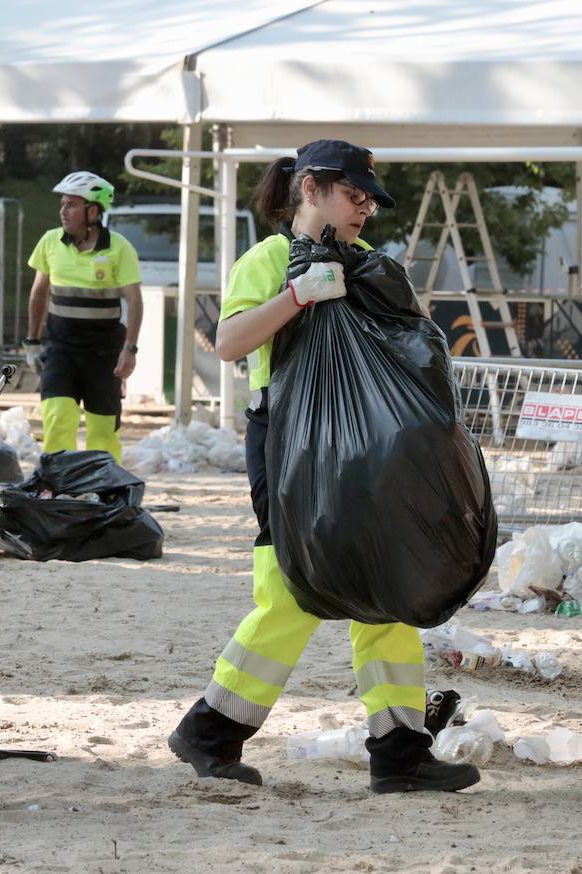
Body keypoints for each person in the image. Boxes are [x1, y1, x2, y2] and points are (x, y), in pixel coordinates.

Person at [167, 139, 481, 794]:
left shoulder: (367, 263)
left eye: (370, 198)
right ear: (311, 188)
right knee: (293, 587)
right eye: (354, 194)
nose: (365, 208)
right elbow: (228, 343)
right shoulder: (269, 259)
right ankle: (210, 729)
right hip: (288, 445)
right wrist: (297, 297)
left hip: (365, 451)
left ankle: (399, 752)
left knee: (386, 580)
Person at [23, 172, 142, 462]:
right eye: (63, 204)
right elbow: (39, 293)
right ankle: (57, 487)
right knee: (58, 420)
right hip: (60, 350)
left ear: (93, 210)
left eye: (72, 205)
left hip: (104, 356)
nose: (63, 211)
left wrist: (130, 349)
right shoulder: (50, 242)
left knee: (103, 431)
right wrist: (32, 342)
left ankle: (101, 490)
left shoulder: (119, 248)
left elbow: (134, 300)